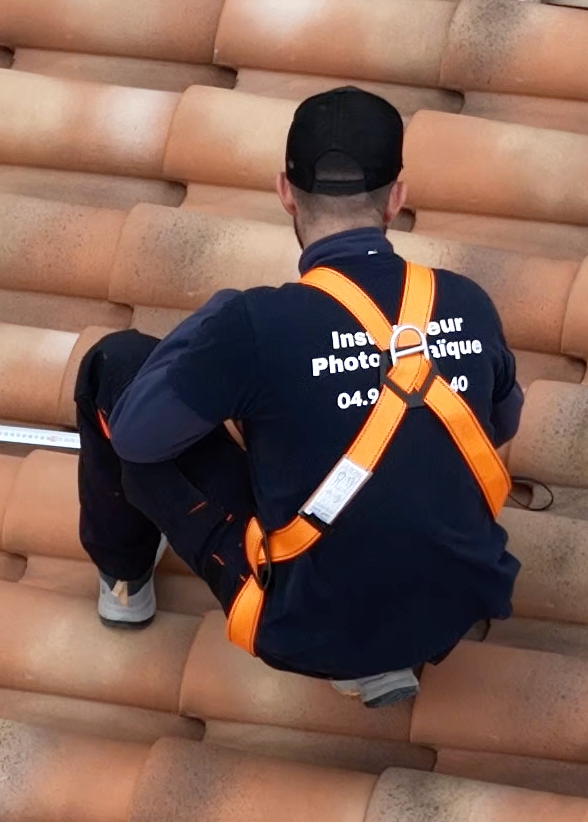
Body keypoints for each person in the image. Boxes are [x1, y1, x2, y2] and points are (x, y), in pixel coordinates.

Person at [75, 86, 521, 703]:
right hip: (456, 603)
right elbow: (499, 426)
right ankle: (393, 638)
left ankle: (124, 580)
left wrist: (218, 323)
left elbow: (136, 435)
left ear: (285, 190)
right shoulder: (467, 301)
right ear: (397, 197)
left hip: (307, 627)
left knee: (114, 366)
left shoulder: (253, 324)